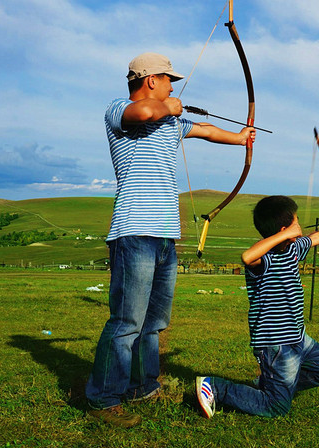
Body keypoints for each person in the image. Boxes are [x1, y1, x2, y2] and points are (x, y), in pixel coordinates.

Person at [86, 52, 255, 427]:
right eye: (167, 81)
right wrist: (169, 107)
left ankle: (142, 386)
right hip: (133, 231)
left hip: (164, 236)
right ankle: (103, 398)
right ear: (150, 80)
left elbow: (207, 131)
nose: (171, 87)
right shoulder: (119, 110)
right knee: (127, 320)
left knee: (154, 322)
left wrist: (241, 138)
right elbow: (143, 113)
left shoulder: (170, 123)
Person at [195, 195, 319, 418]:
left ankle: (271, 385)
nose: (299, 227)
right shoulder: (265, 258)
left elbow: (314, 238)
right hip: (276, 344)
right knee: (276, 407)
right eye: (295, 223)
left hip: (299, 338)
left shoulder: (293, 249)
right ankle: (216, 387)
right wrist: (285, 235)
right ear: (283, 229)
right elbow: (247, 257)